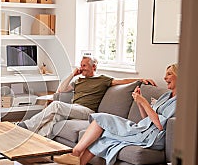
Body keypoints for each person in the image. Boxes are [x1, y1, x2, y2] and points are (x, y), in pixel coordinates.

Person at [56, 64, 178, 165]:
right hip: (141, 128)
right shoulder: (166, 96)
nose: (164, 77)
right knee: (101, 139)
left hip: (151, 137)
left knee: (101, 119)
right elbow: (145, 119)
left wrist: (145, 102)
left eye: (169, 74)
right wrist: (140, 102)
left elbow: (160, 125)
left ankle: (75, 152)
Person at [18, 56, 156, 137]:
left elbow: (122, 81)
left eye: (84, 65)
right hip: (73, 109)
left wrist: (140, 79)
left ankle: (26, 126)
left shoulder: (102, 79)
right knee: (54, 117)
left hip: (86, 111)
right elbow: (61, 89)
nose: (81, 67)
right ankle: (35, 140)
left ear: (93, 67)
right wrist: (73, 74)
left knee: (56, 105)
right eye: (81, 65)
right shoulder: (79, 80)